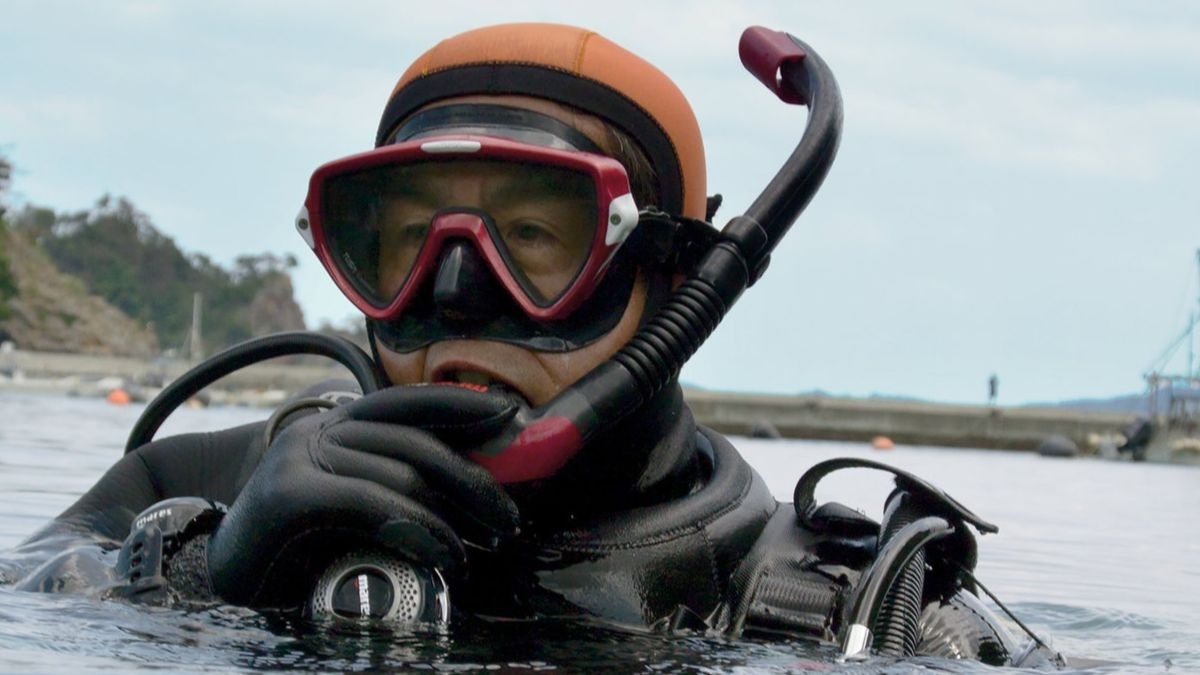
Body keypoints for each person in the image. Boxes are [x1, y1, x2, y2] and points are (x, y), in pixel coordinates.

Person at [0, 23, 1058, 667]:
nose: (458, 296)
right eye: (405, 243)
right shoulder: (196, 488)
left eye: (538, 240)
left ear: (675, 279)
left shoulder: (854, 612)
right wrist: (200, 572)